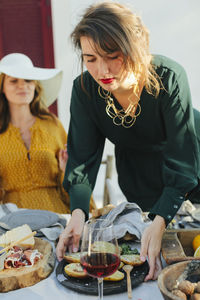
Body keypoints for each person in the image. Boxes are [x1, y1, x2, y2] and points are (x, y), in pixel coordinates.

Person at [56, 2, 200, 281]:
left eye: (113, 55)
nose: (102, 69)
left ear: (134, 47)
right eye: (91, 58)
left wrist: (161, 221)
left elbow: (183, 161)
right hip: (138, 173)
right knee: (151, 253)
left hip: (192, 159)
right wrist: (77, 213)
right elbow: (82, 160)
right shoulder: (84, 90)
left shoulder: (169, 77)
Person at [0, 53, 96, 213]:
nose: (22, 86)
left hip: (56, 214)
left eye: (28, 80)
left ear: (35, 85)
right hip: (13, 220)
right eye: (13, 81)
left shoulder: (52, 125)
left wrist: (66, 170)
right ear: (2, 86)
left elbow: (75, 174)